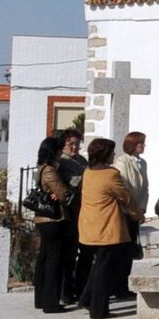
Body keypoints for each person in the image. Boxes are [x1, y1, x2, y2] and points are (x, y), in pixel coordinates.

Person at [78, 138, 141, 319]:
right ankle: (99, 309)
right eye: (112, 152)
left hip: (90, 225)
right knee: (105, 269)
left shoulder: (88, 172)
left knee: (98, 265)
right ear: (105, 154)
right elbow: (125, 197)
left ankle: (87, 298)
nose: (114, 155)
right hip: (107, 227)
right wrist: (137, 214)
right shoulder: (110, 175)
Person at [31, 136, 73, 314]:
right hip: (53, 220)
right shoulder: (49, 170)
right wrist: (69, 190)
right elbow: (63, 194)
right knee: (53, 261)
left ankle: (41, 299)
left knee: (45, 259)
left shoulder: (43, 168)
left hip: (44, 221)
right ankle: (50, 302)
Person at [111, 131, 149, 300]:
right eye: (141, 143)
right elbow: (124, 186)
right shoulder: (122, 161)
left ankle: (123, 284)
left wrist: (142, 208)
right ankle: (118, 285)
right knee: (123, 251)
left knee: (129, 250)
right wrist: (132, 208)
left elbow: (144, 187)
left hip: (136, 210)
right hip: (125, 211)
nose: (143, 146)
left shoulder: (143, 163)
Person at [56, 129, 89, 306]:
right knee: (67, 255)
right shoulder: (61, 163)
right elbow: (65, 186)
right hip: (68, 213)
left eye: (77, 143)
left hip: (83, 211)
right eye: (71, 144)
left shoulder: (81, 160)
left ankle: (78, 288)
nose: (75, 147)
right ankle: (64, 292)